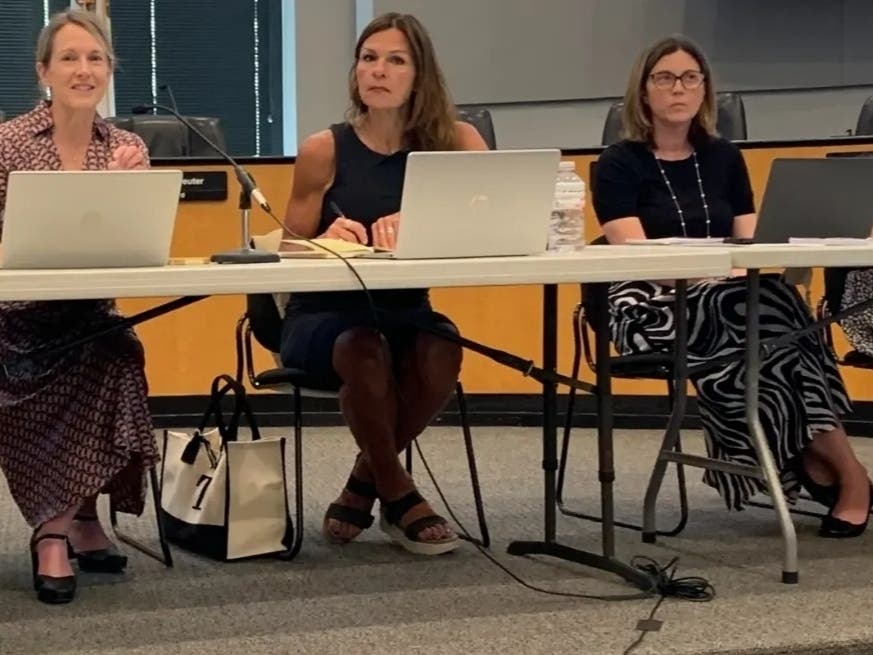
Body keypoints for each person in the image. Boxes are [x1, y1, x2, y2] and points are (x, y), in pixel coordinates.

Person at [592, 35, 871, 537]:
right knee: (760, 310)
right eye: (665, 78)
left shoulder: (723, 157)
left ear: (705, 90)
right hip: (646, 302)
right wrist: (725, 273)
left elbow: (751, 240)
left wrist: (740, 270)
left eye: (690, 78)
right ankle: (845, 471)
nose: (678, 88)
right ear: (643, 90)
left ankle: (813, 457)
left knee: (772, 302)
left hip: (726, 298)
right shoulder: (617, 162)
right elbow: (638, 257)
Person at [279, 12, 486, 555]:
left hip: (406, 309)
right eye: (369, 59)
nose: (378, 70)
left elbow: (490, 228)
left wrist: (424, 226)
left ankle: (362, 482)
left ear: (420, 75)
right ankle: (399, 493)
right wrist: (324, 238)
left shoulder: (457, 143)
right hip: (323, 316)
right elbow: (287, 248)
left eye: (396, 60)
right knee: (363, 349)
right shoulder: (324, 149)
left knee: (442, 347)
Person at [0, 10, 157, 604]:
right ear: (44, 71)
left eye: (95, 58)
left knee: (116, 352)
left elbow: (141, 251)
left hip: (89, 317)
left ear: (109, 70)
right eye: (69, 57)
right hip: (15, 323)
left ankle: (63, 526)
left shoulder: (127, 148)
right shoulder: (8, 143)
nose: (83, 70)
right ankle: (65, 527)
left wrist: (129, 193)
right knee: (95, 356)